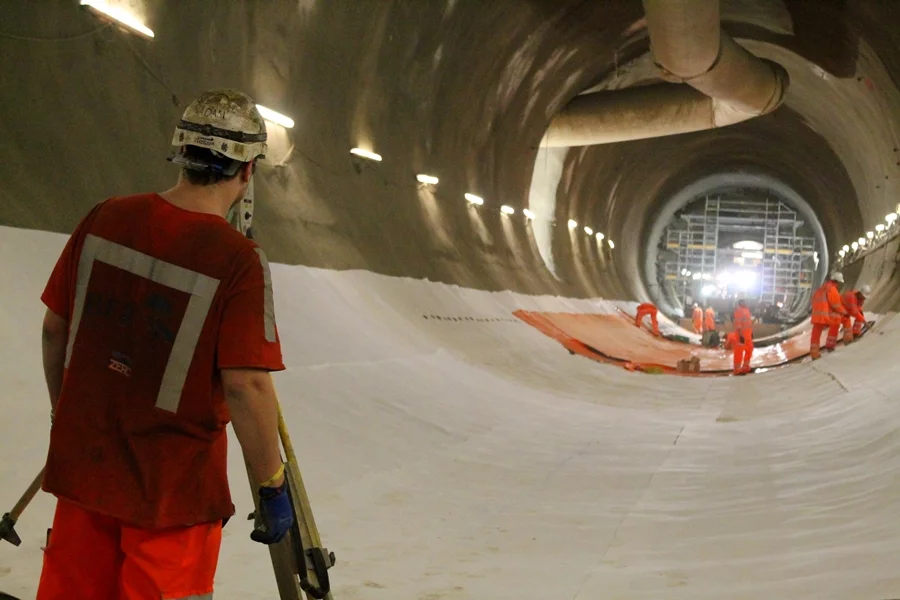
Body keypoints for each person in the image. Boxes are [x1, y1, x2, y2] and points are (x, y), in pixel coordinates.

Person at [36, 89, 294, 600]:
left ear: (181, 154)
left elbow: (53, 329)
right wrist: (271, 483)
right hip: (173, 496)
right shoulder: (238, 260)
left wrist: (63, 415)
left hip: (86, 471)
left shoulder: (104, 217)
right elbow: (245, 384)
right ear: (247, 172)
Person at [810, 271, 847, 359]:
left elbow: (814, 299)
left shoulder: (822, 288)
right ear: (836, 281)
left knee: (816, 334)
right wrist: (844, 312)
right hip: (824, 314)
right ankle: (830, 345)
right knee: (836, 322)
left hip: (817, 314)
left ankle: (814, 354)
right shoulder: (832, 289)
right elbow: (836, 304)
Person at [731, 299, 754, 374]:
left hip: (747, 335)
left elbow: (748, 323)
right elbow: (738, 323)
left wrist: (751, 333)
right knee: (739, 351)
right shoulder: (739, 310)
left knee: (749, 349)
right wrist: (740, 335)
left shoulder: (746, 310)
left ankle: (745, 367)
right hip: (741, 335)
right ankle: (737, 369)